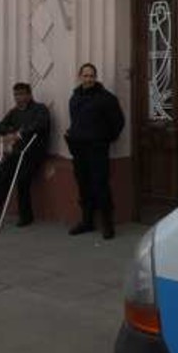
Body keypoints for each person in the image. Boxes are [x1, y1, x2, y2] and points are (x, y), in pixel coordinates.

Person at [0, 82, 51, 230]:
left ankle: (26, 216)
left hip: (33, 153)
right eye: (16, 94)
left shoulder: (40, 109)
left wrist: (19, 134)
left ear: (29, 94)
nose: (19, 98)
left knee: (21, 179)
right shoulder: (14, 112)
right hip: (17, 153)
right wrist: (10, 132)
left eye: (22, 94)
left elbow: (40, 125)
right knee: (0, 177)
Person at [66, 63, 124, 239]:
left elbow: (118, 122)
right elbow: (75, 121)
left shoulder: (106, 98)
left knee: (100, 186)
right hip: (79, 150)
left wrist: (104, 139)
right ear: (80, 76)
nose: (88, 79)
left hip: (97, 149)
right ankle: (87, 222)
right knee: (83, 185)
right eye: (85, 75)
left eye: (91, 76)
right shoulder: (74, 98)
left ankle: (107, 225)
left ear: (95, 77)